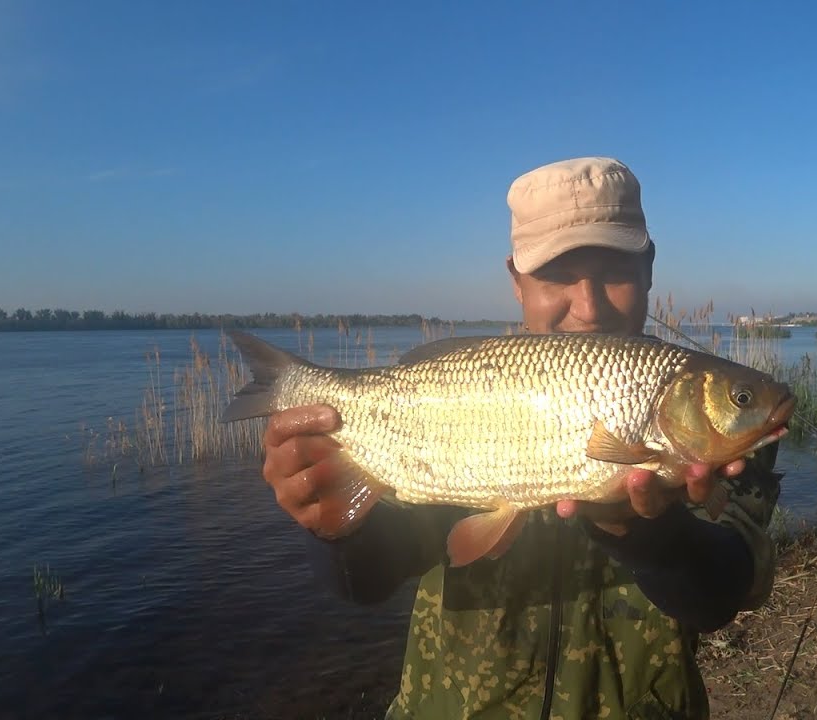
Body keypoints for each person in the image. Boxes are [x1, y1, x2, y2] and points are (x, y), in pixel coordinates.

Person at [261, 157, 784, 719]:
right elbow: (365, 580)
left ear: (648, 268)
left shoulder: (730, 433)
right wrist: (329, 526)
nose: (589, 307)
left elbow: (722, 596)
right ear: (516, 281)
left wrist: (642, 532)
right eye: (558, 275)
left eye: (615, 271)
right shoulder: (473, 392)